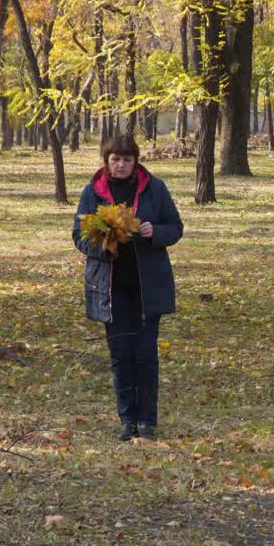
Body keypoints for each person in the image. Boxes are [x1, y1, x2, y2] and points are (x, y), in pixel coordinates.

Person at [72, 136, 183, 441]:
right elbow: (78, 236)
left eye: (127, 160)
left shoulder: (154, 188)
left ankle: (148, 421)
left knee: (145, 354)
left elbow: (176, 227)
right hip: (110, 288)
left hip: (148, 288)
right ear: (106, 162)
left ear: (136, 162)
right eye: (115, 160)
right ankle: (127, 419)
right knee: (121, 354)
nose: (121, 165)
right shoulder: (93, 192)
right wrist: (102, 245)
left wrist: (154, 232)